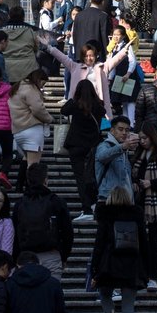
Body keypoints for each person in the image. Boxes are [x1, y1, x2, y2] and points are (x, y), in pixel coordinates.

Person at [91, 184, 148, 313]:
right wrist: (147, 269)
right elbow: (144, 242)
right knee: (129, 305)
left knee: (104, 293)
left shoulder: (106, 215)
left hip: (109, 264)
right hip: (132, 264)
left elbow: (99, 243)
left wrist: (94, 268)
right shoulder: (136, 215)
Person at [42, 36, 133, 120]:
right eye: (86, 56)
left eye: (91, 56)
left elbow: (116, 59)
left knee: (97, 129)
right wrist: (49, 47)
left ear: (96, 56)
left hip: (97, 106)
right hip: (79, 106)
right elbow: (62, 57)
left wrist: (125, 49)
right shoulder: (75, 67)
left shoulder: (103, 67)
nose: (89, 58)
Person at [12, 160, 73, 277]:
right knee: (51, 287)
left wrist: (15, 258)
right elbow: (68, 232)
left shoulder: (20, 204)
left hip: (25, 256)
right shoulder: (56, 202)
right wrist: (64, 256)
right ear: (45, 180)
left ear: (28, 180)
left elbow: (14, 233)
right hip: (51, 255)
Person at [131, 121, 157, 290]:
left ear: (152, 137)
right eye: (140, 138)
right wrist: (135, 182)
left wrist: (151, 183)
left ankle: (153, 276)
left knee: (154, 241)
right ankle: (142, 274)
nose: (142, 141)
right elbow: (133, 172)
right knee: (140, 240)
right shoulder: (139, 152)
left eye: (145, 138)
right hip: (139, 201)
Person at [62, 76, 102, 222]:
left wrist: (72, 98)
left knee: (80, 178)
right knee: (92, 175)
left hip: (76, 145)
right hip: (93, 145)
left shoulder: (75, 104)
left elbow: (63, 110)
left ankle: (87, 208)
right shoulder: (99, 105)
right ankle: (94, 204)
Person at [96, 114, 139, 203]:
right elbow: (102, 156)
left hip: (124, 199)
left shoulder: (124, 149)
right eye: (120, 129)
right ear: (112, 130)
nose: (124, 133)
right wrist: (123, 147)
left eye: (127, 130)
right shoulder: (104, 145)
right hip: (108, 198)